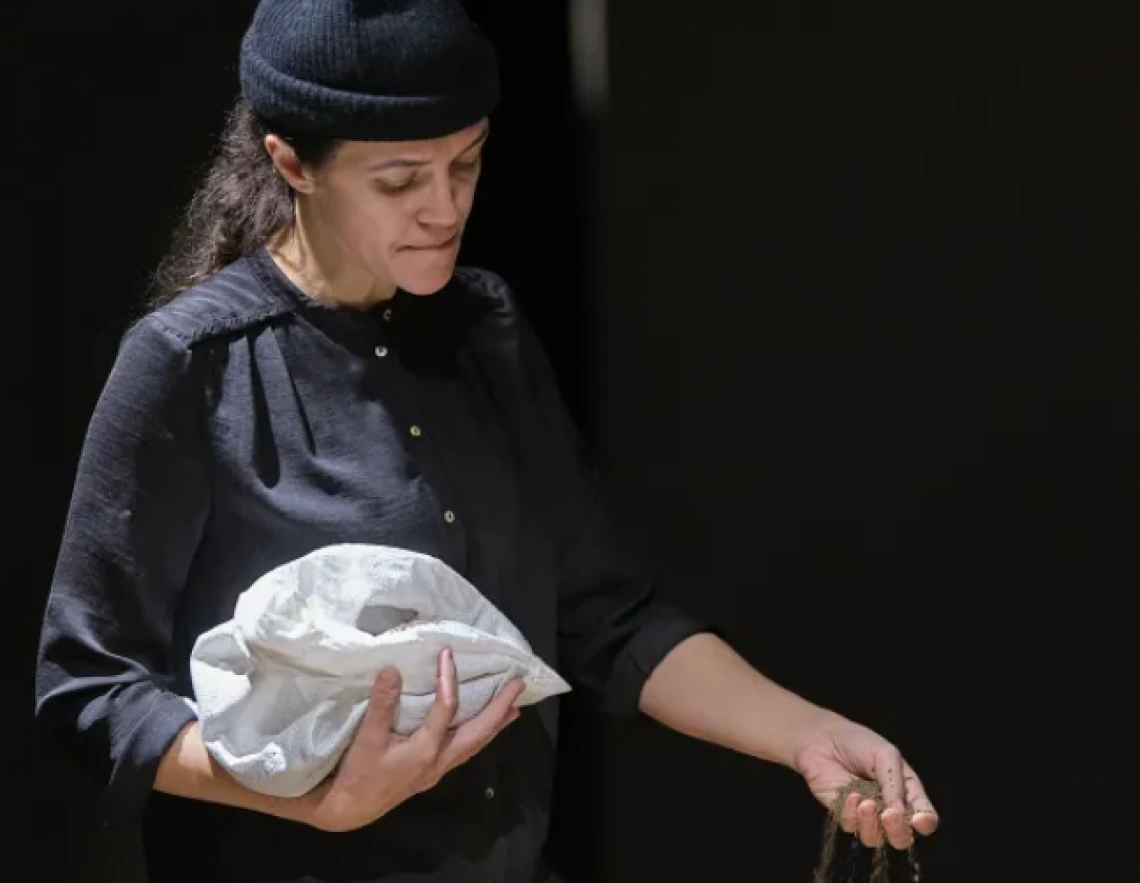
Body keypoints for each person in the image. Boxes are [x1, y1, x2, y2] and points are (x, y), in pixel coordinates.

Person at [34, 1, 939, 881]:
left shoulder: (487, 329)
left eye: (466, 164)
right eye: (399, 181)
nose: (444, 208)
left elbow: (609, 615)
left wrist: (804, 733)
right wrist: (312, 798)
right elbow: (88, 689)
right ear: (292, 163)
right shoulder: (190, 365)